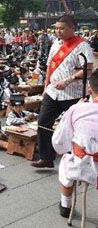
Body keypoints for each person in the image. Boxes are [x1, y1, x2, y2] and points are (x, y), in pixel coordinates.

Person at [33, 15, 94, 169]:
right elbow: (49, 68)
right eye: (56, 28)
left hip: (74, 94)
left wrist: (68, 80)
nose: (58, 31)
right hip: (53, 92)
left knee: (77, 127)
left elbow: (88, 68)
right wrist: (45, 87)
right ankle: (46, 157)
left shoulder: (82, 46)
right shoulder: (55, 44)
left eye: (61, 28)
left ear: (72, 28)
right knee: (43, 123)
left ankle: (79, 157)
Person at [52, 70, 98, 217]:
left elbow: (60, 141)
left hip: (80, 163)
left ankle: (65, 205)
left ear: (90, 89)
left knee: (66, 165)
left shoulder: (77, 109)